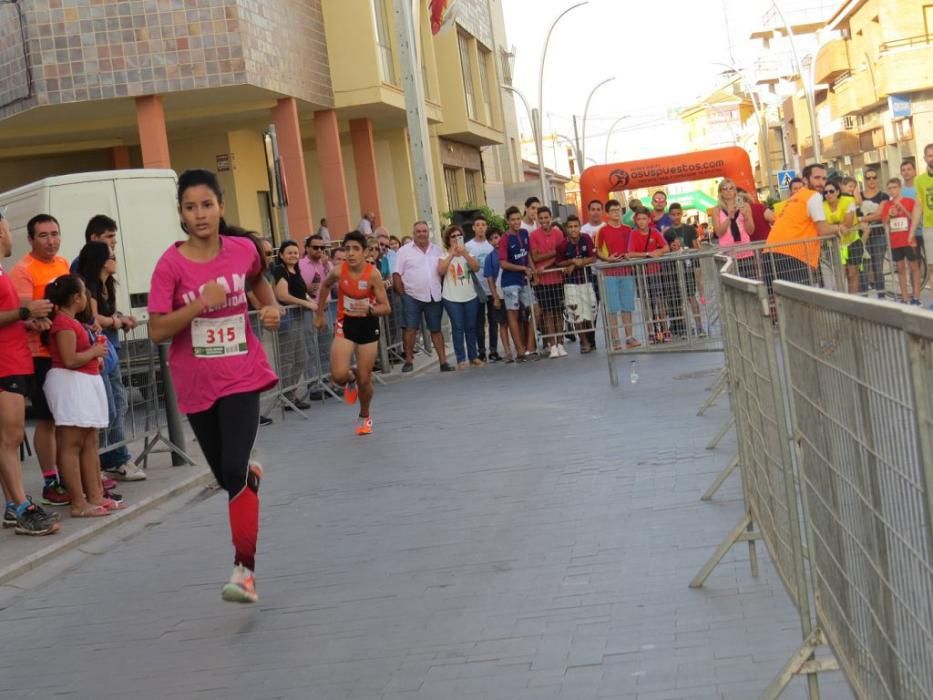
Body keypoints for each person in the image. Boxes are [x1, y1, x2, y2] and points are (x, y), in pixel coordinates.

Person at [148, 168, 282, 603]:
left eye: (207, 205)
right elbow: (156, 330)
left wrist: (271, 307)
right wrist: (197, 307)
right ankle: (248, 477)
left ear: (221, 207)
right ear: (181, 214)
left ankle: (245, 571)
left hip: (241, 375)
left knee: (232, 471)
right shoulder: (170, 264)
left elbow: (259, 279)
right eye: (190, 207)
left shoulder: (242, 250)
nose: (200, 214)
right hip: (196, 381)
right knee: (229, 477)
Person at [42, 275, 120, 518]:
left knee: (90, 442)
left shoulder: (74, 322)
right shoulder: (64, 324)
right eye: (84, 293)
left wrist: (95, 355)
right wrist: (94, 352)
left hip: (84, 383)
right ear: (76, 298)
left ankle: (95, 495)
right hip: (69, 384)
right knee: (71, 444)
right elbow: (69, 359)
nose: (87, 298)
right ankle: (78, 502)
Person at [0, 212, 59, 535]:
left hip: (13, 359)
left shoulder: (2, 271)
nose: (11, 235)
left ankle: (14, 504)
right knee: (8, 439)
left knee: (10, 438)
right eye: (9, 229)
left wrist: (26, 322)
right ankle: (22, 507)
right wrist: (26, 310)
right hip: (4, 364)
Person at [11, 215, 72, 507]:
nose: (51, 240)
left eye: (55, 234)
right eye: (44, 235)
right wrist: (34, 322)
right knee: (47, 420)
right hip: (38, 355)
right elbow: (19, 315)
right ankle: (50, 481)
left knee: (64, 419)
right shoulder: (23, 270)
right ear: (31, 240)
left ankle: (69, 476)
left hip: (64, 352)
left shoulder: (62, 264)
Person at [75, 240, 147, 481]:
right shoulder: (90, 286)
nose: (115, 258)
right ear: (101, 261)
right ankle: (108, 459)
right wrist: (115, 322)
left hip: (108, 349)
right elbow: (94, 317)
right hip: (97, 351)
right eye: (111, 255)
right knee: (109, 406)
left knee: (118, 402)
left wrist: (119, 318)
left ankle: (116, 456)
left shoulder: (107, 285)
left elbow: (104, 316)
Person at [314, 230, 391, 436]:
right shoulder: (339, 271)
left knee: (365, 379)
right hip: (345, 324)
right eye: (347, 249)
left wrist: (369, 309)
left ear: (365, 252)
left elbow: (386, 307)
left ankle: (365, 415)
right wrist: (319, 315)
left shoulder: (373, 274)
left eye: (356, 249)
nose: (350, 253)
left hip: (368, 326)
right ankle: (349, 379)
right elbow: (325, 286)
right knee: (338, 375)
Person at [765, 164, 842, 287]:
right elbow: (823, 230)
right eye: (816, 178)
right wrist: (839, 228)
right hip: (793, 256)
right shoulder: (813, 196)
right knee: (800, 303)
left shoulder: (796, 197)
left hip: (771, 253)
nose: (821, 183)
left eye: (824, 179)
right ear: (805, 180)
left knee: (780, 303)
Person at [393, 221, 453, 373]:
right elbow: (396, 274)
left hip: (433, 296)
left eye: (424, 231)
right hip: (412, 296)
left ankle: (443, 362)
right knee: (410, 329)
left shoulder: (437, 250)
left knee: (436, 329)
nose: (421, 234)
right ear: (413, 233)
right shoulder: (404, 251)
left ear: (428, 233)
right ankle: (408, 360)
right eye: (418, 231)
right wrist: (403, 295)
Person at [272, 240, 313, 411]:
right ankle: (285, 397)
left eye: (296, 252)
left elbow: (301, 292)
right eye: (289, 252)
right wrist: (305, 303)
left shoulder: (296, 271)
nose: (293, 255)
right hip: (287, 319)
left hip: (299, 317)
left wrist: (309, 301)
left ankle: (291, 394)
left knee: (301, 358)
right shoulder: (280, 270)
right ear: (281, 255)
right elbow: (282, 295)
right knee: (287, 359)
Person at [595, 199, 638, 350]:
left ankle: (629, 336)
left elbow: (633, 248)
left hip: (626, 271)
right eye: (612, 210)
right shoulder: (603, 230)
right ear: (607, 213)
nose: (616, 213)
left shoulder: (628, 229)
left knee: (627, 305)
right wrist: (607, 259)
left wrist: (629, 256)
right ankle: (615, 339)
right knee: (612, 307)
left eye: (618, 210)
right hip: (610, 273)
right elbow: (597, 250)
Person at [439, 225, 483, 369]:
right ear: (448, 239)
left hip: (470, 296)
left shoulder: (468, 252)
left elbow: (476, 267)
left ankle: (473, 356)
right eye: (453, 236)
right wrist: (452, 254)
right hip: (451, 298)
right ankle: (460, 359)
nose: (456, 239)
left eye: (459, 236)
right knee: (458, 327)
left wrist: (464, 254)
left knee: (470, 327)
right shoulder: (444, 255)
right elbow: (440, 270)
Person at [299, 234, 336, 400]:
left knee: (325, 347)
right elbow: (295, 288)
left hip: (326, 309)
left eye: (322, 247)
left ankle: (327, 382)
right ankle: (314, 385)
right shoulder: (300, 265)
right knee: (311, 348)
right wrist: (305, 289)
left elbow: (335, 284)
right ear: (307, 248)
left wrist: (327, 265)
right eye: (315, 247)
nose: (319, 251)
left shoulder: (327, 265)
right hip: (309, 311)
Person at [499, 206, 537, 362]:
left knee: (535, 310)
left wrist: (533, 271)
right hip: (510, 282)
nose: (516, 222)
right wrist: (522, 268)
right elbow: (502, 263)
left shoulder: (524, 233)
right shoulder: (504, 239)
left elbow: (527, 254)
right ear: (508, 221)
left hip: (524, 279)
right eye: (512, 219)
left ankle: (530, 347)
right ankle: (520, 350)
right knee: (513, 314)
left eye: (517, 219)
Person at [627, 210, 671, 343]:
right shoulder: (633, 233)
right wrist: (648, 254)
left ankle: (665, 329)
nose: (641, 221)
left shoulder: (655, 232)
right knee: (646, 303)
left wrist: (658, 252)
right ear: (635, 220)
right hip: (641, 273)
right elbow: (631, 253)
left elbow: (666, 248)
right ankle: (651, 332)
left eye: (644, 218)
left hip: (655, 271)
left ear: (649, 220)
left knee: (659, 301)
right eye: (639, 219)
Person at [530, 206, 567, 358]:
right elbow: (535, 257)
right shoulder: (533, 235)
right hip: (543, 282)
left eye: (547, 217)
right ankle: (552, 344)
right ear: (538, 219)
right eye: (541, 218)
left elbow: (560, 256)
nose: (544, 220)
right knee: (547, 314)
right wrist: (554, 253)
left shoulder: (558, 234)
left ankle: (560, 343)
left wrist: (546, 261)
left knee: (558, 312)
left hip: (557, 278)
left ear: (550, 218)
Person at [664, 203, 704, 337]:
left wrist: (695, 263)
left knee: (691, 297)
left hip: (688, 268)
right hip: (673, 269)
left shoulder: (689, 229)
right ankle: (684, 327)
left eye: (678, 214)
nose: (675, 217)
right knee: (677, 299)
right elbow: (665, 249)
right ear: (669, 215)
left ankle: (699, 326)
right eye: (673, 214)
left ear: (682, 214)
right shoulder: (667, 232)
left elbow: (696, 247)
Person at [881, 178, 921, 304]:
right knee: (900, 269)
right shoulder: (887, 205)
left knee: (914, 267)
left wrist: (903, 209)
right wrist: (890, 215)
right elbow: (884, 223)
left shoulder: (909, 201)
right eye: (890, 188)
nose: (892, 191)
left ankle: (916, 297)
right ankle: (905, 297)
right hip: (895, 241)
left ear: (900, 188)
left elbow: (914, 218)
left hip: (909, 239)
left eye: (894, 187)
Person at [561, 215, 597, 353]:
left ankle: (589, 338)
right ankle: (584, 341)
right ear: (566, 229)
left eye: (575, 226)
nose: (573, 229)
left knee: (589, 312)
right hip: (570, 284)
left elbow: (593, 257)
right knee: (576, 313)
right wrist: (572, 262)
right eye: (570, 227)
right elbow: (559, 262)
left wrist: (578, 264)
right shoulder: (562, 244)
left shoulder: (586, 239)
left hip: (586, 281)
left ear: (580, 227)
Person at [465, 215, 498, 362]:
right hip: (476, 289)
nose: (480, 227)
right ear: (473, 228)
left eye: (483, 224)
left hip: (492, 288)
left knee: (493, 320)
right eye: (477, 225)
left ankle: (493, 350)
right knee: (479, 322)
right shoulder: (468, 246)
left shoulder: (491, 245)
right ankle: (481, 351)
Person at [822, 180, 860, 295]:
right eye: (826, 192)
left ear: (838, 192)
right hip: (835, 245)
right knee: (840, 274)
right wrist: (838, 226)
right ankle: (842, 300)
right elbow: (823, 227)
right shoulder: (822, 206)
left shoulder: (849, 200)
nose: (828, 194)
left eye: (831, 191)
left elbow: (848, 224)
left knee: (852, 274)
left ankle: (853, 301)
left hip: (852, 241)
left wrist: (833, 227)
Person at [712, 178, 755, 277]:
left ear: (735, 191)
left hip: (745, 252)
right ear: (720, 192)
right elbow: (718, 233)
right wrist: (729, 218)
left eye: (731, 188)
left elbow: (751, 231)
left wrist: (746, 216)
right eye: (725, 189)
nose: (728, 191)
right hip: (727, 255)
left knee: (748, 284)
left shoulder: (745, 206)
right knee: (731, 287)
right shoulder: (717, 210)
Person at [858, 167, 890, 295]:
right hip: (862, 237)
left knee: (878, 268)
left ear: (877, 179)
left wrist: (861, 218)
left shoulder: (884, 195)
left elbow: (879, 214)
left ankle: (882, 298)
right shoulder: (859, 196)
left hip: (878, 236)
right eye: (868, 178)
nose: (871, 180)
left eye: (874, 177)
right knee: (863, 269)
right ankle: (864, 299)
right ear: (865, 180)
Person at [484, 229, 513, 362]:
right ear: (489, 242)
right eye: (492, 239)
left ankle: (521, 347)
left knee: (515, 321)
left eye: (497, 237)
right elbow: (489, 278)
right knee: (503, 323)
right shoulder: (490, 257)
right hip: (499, 294)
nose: (495, 241)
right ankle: (507, 351)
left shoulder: (509, 251)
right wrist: (495, 296)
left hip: (512, 290)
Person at [910, 143, 933, 295]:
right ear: (925, 158)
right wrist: (911, 232)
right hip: (929, 227)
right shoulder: (919, 180)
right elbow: (918, 206)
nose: (932, 158)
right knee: (931, 266)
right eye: (930, 155)